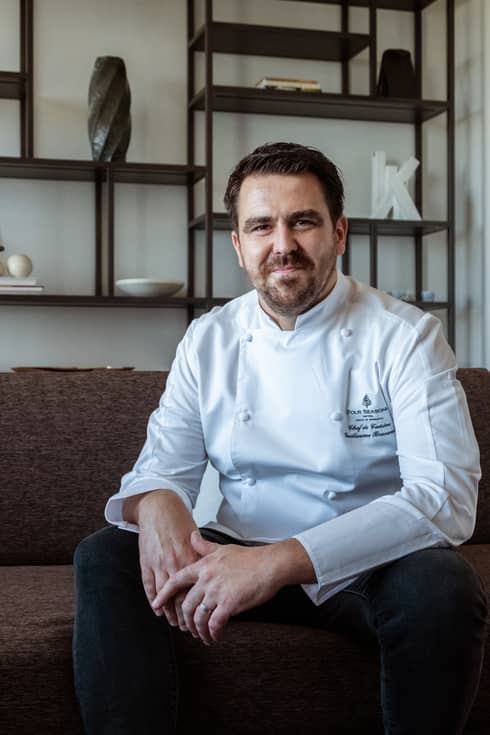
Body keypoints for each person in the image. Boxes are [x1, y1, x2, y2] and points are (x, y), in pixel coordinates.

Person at [73, 142, 488, 735]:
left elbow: (446, 498)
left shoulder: (406, 337)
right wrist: (158, 498)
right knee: (105, 556)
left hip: (364, 563)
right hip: (235, 542)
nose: (283, 245)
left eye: (304, 222)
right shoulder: (208, 339)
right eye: (261, 226)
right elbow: (164, 463)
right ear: (239, 246)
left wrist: (277, 562)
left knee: (444, 587)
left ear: (339, 232)